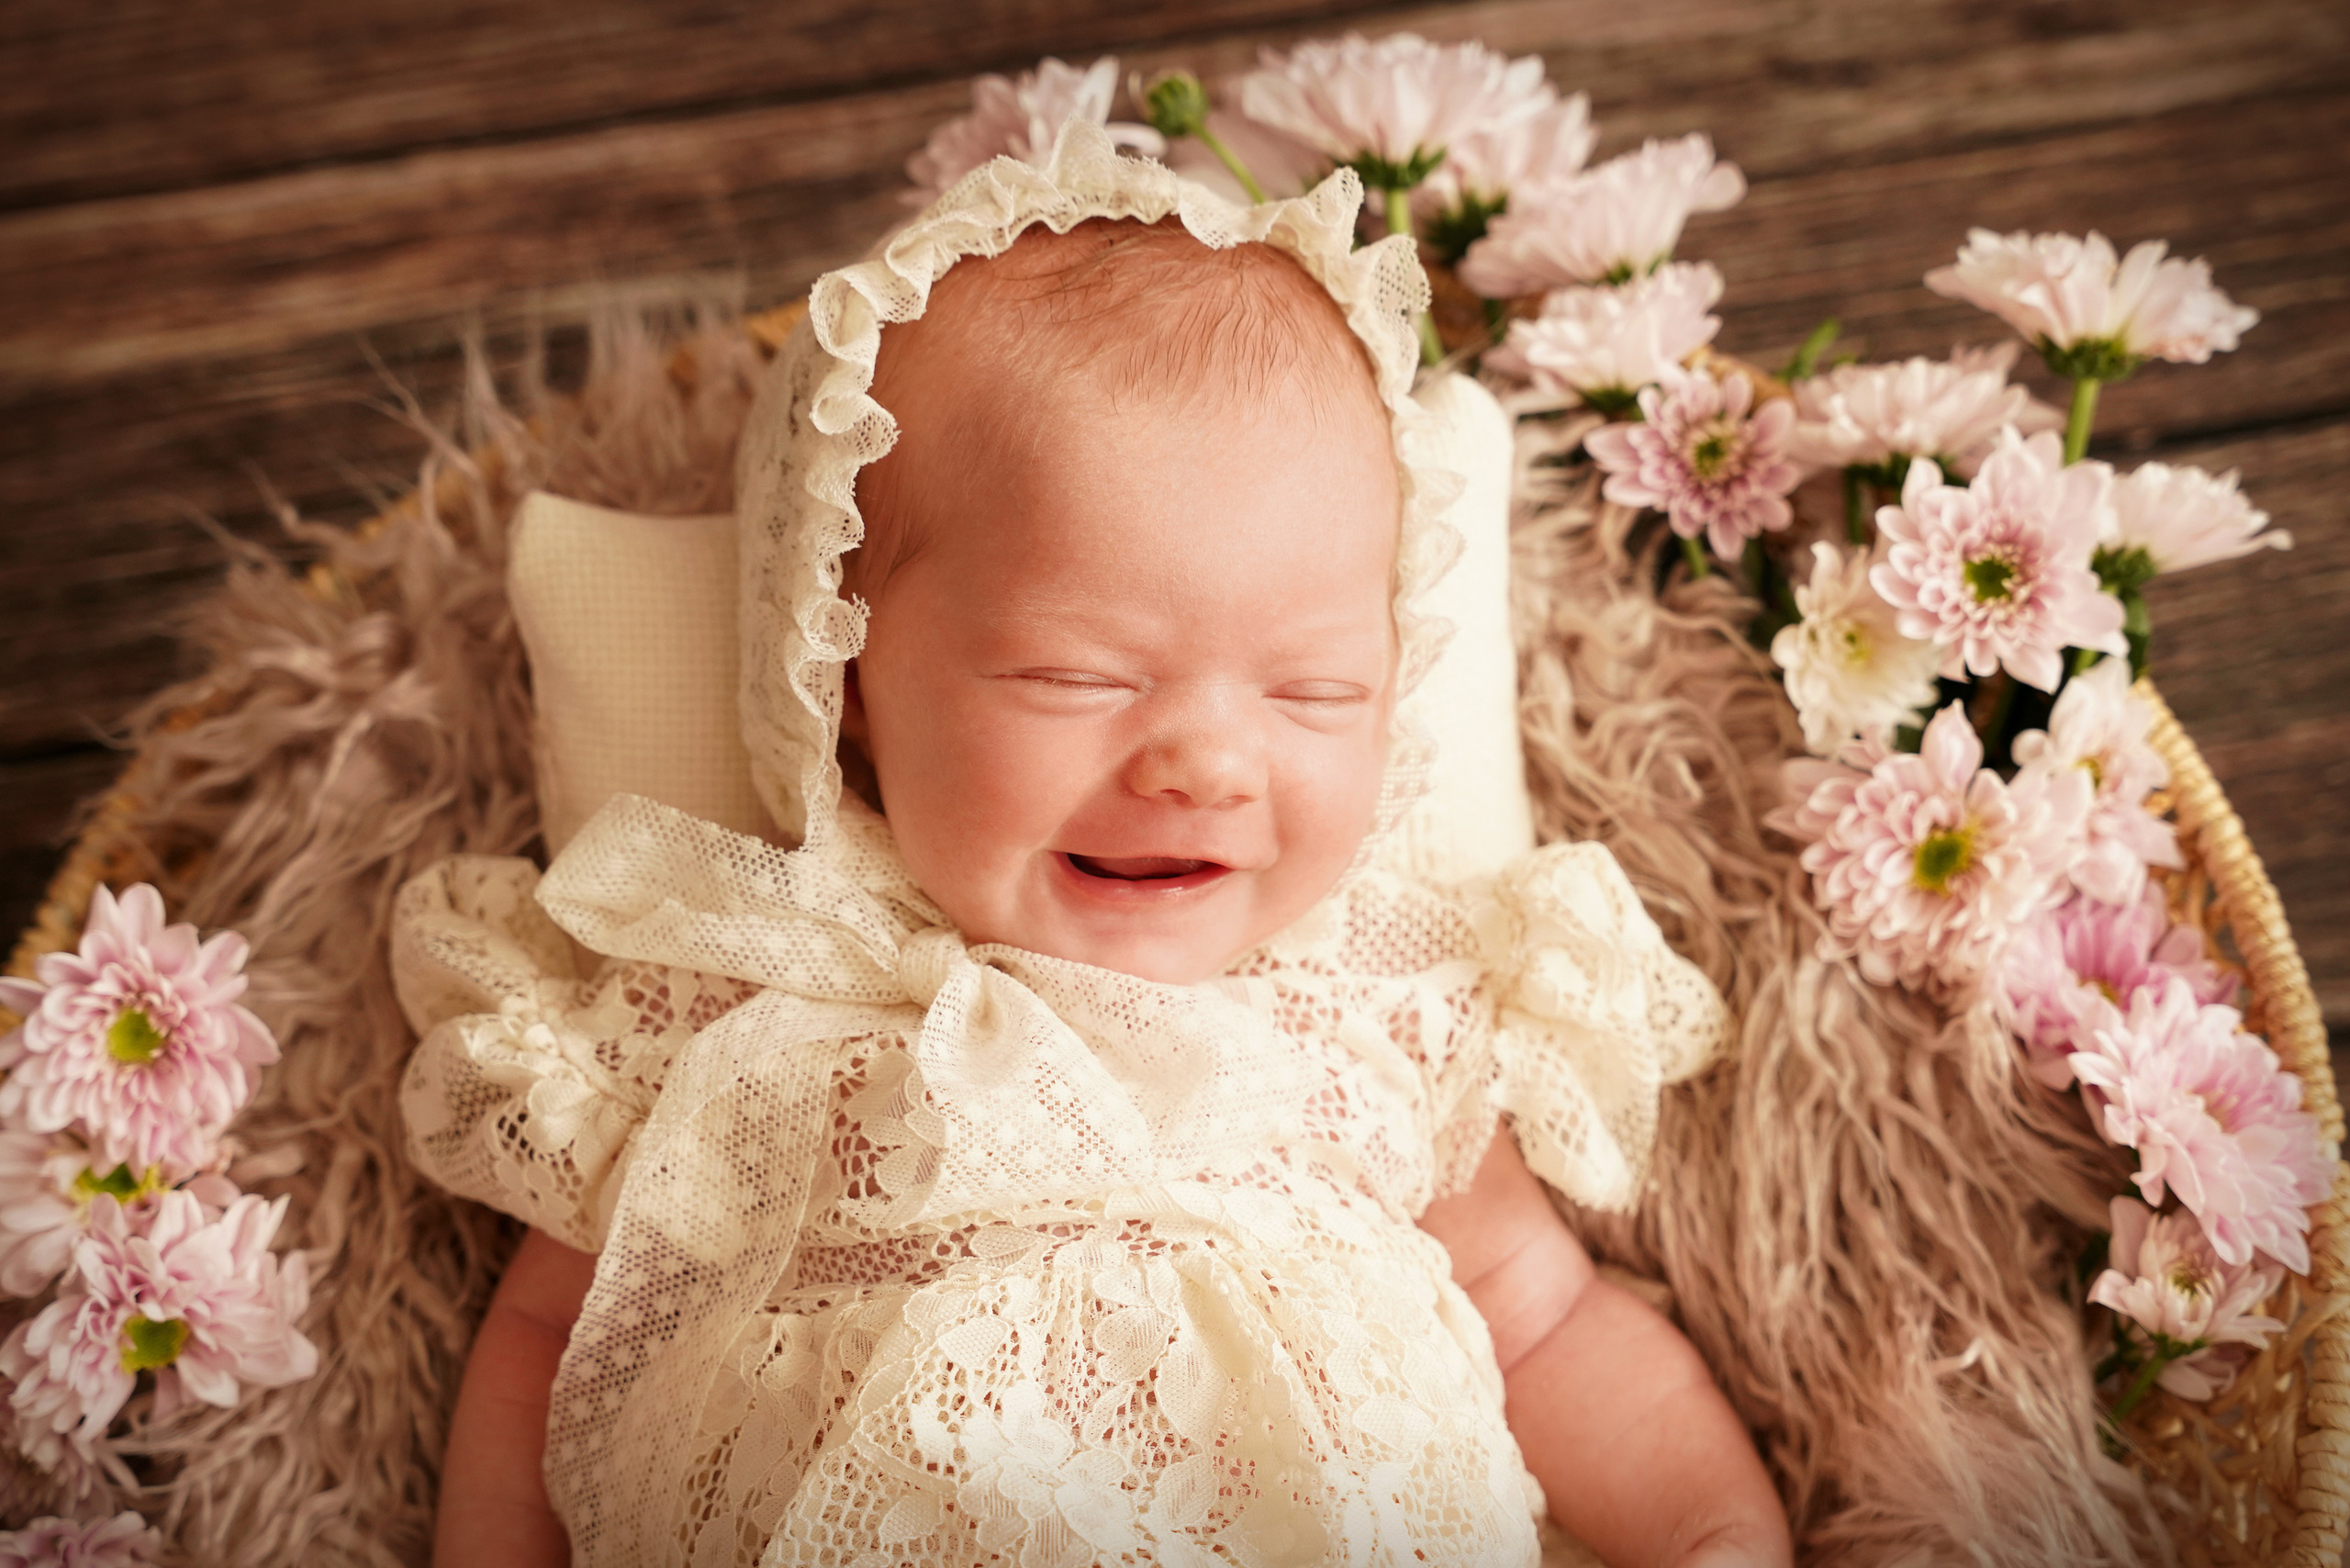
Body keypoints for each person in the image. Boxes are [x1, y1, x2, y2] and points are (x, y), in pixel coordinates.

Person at [393, 124, 1792, 1568]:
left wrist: (1711, 1534)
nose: (1202, 763)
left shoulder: (1375, 1012)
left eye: (1314, 691)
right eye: (1078, 678)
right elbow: (560, 1332)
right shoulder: (740, 998)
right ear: (849, 683)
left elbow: (1548, 1320)